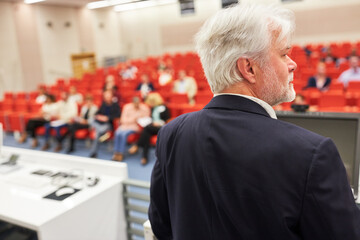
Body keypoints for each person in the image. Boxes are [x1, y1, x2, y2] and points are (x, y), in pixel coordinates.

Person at [148, 3, 360, 240]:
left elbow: (161, 227)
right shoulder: (312, 154)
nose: (293, 63)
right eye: (283, 54)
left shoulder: (171, 133)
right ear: (248, 68)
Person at [128, 93, 170, 165]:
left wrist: (159, 123)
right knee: (146, 134)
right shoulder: (153, 108)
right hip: (152, 128)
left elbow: (167, 120)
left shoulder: (164, 108)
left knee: (146, 129)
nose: (151, 103)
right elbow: (152, 119)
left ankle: (137, 145)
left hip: (162, 127)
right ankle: (145, 157)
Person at [112, 96, 150, 161]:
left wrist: (134, 120)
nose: (137, 105)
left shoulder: (144, 108)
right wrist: (133, 119)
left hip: (135, 127)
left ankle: (121, 153)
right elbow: (123, 120)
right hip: (124, 125)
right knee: (117, 133)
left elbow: (146, 119)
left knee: (124, 134)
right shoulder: (127, 107)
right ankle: (116, 152)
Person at [89, 90, 121, 158]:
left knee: (97, 134)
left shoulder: (115, 105)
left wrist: (107, 118)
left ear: (111, 97)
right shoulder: (103, 104)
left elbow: (118, 115)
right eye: (105, 97)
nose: (106, 98)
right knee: (92, 121)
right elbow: (97, 113)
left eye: (108, 97)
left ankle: (93, 152)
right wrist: (99, 116)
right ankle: (99, 134)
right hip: (100, 123)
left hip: (108, 124)